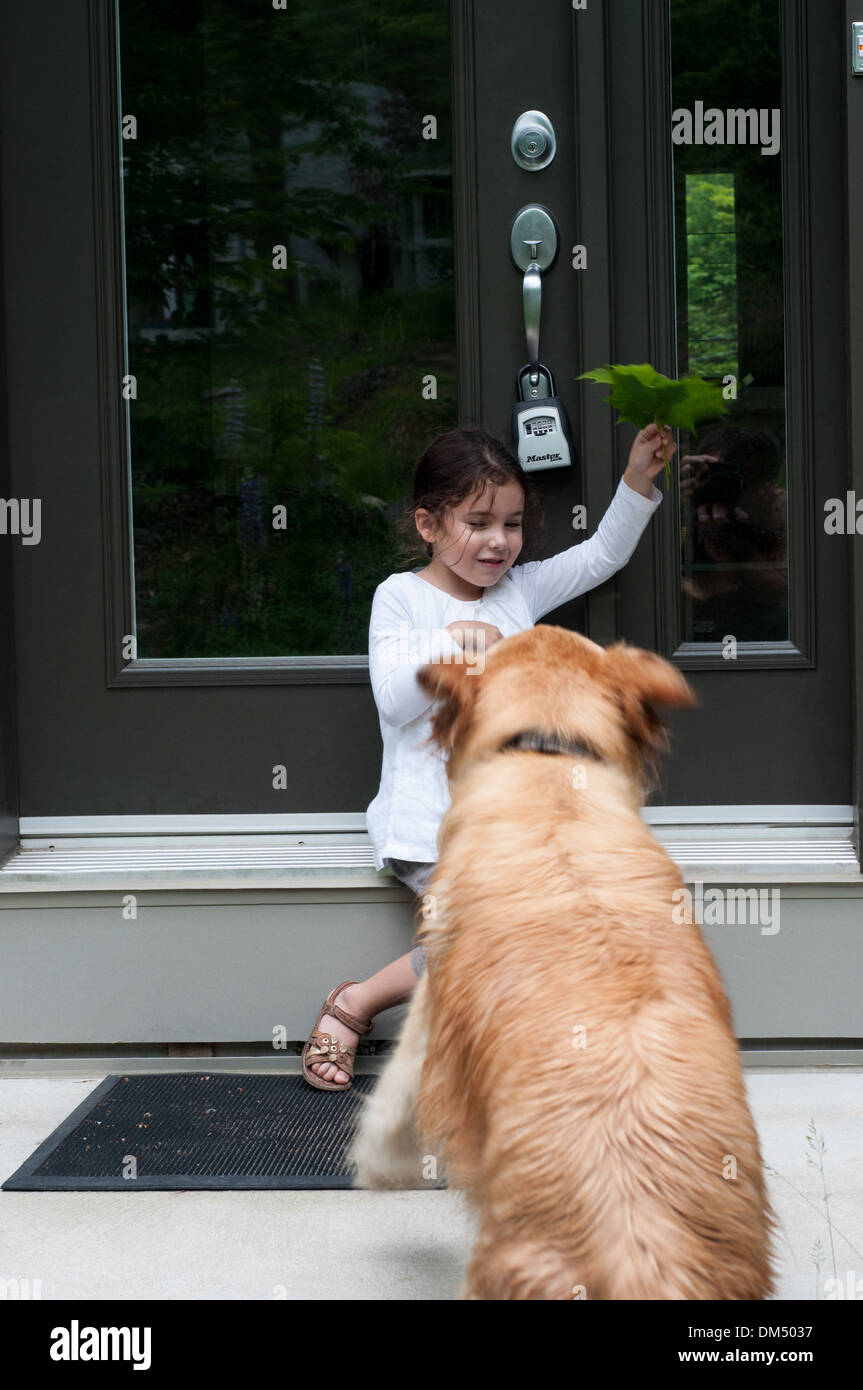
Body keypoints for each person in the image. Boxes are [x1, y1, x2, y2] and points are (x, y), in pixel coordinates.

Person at [302, 421, 674, 1088]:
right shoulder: (402, 599)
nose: (498, 541)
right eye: (477, 522)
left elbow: (600, 557)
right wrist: (450, 644)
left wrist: (638, 478)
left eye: (510, 523)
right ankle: (355, 1004)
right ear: (427, 524)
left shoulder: (517, 594)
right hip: (429, 828)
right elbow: (392, 701)